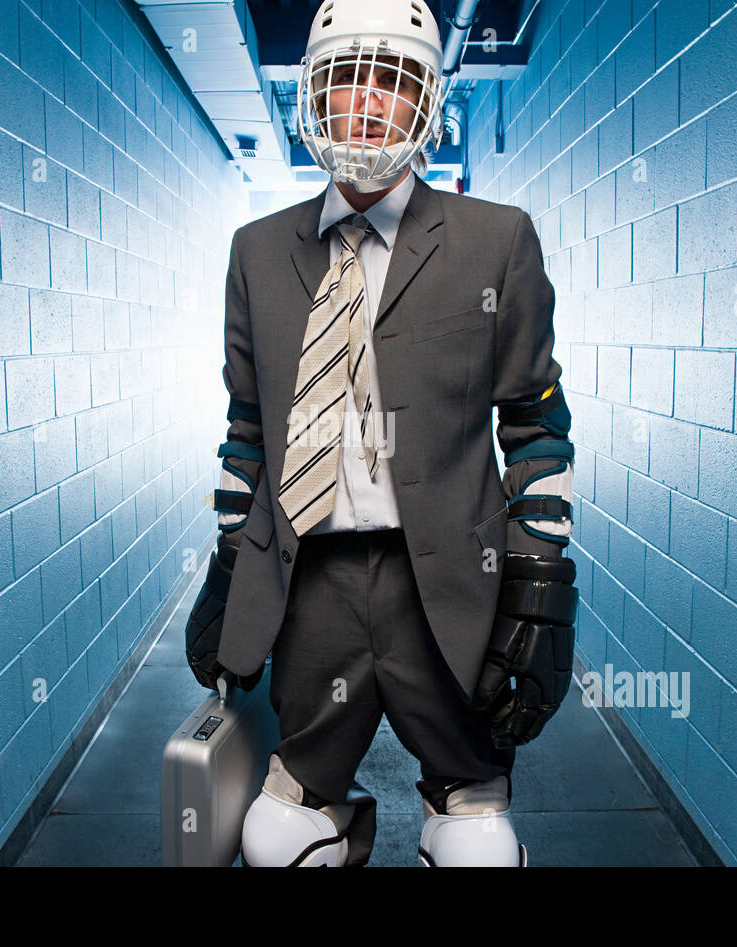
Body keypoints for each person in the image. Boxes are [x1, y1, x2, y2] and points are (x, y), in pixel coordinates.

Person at [184, 0, 578, 867]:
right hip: (313, 578)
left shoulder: (496, 242)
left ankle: (454, 802)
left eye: (391, 81)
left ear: (427, 100)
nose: (366, 103)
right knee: (277, 839)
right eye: (343, 80)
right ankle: (342, 818)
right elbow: (247, 428)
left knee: (480, 851)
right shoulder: (256, 251)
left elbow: (536, 422)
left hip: (441, 580)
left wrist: (538, 571)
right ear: (312, 101)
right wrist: (227, 562)